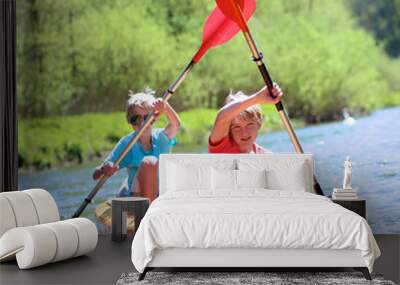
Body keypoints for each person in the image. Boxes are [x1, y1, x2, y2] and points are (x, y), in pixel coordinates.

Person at [92, 89, 181, 202]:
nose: (142, 123)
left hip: (160, 196)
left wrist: (165, 106)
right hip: (137, 199)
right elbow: (95, 175)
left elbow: (175, 124)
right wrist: (104, 169)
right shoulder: (127, 144)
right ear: (130, 121)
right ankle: (145, 211)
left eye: (146, 117)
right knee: (149, 162)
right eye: (136, 119)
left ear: (154, 118)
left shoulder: (161, 138)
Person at [209, 83, 283, 154]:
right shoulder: (221, 147)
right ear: (229, 130)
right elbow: (222, 117)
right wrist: (258, 98)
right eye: (237, 127)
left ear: (259, 123)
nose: (244, 133)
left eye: (249, 124)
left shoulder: (266, 156)